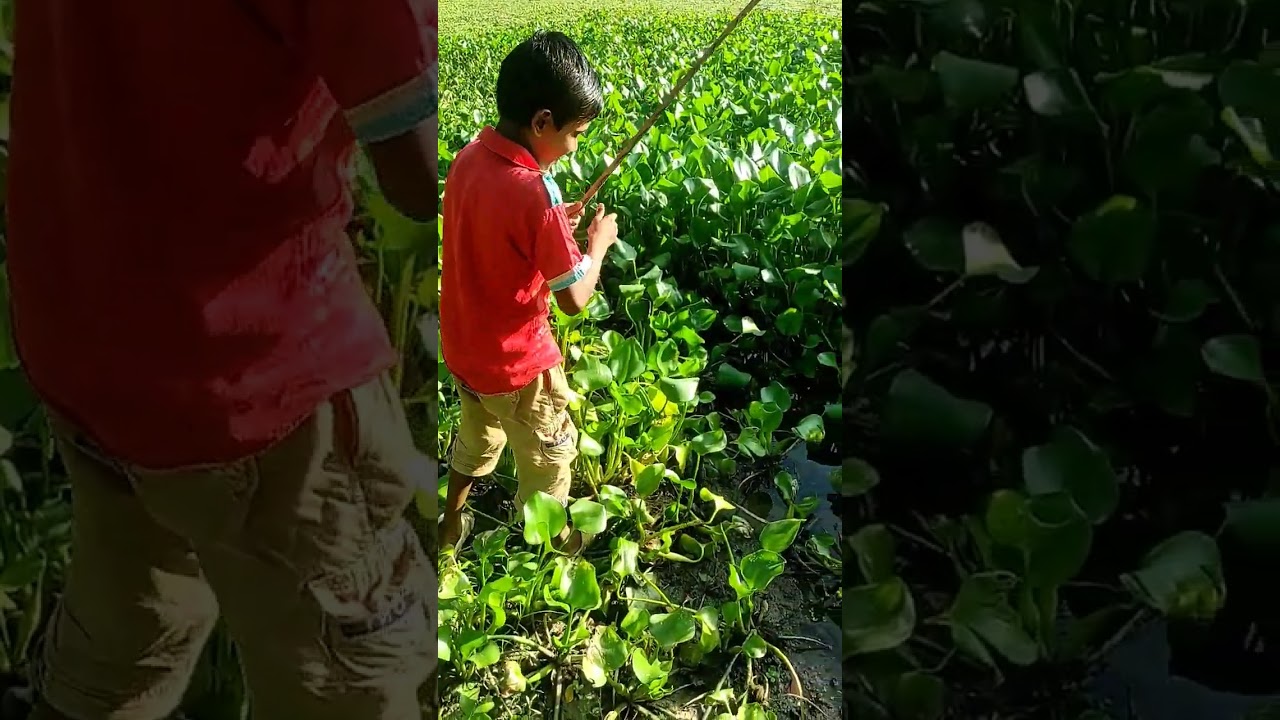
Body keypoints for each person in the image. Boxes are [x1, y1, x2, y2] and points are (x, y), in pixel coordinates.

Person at [3, 1, 440, 719]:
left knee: (129, 629)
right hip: (255, 380)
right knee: (350, 680)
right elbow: (422, 173)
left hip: (85, 332)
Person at [438, 30, 619, 554]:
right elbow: (574, 299)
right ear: (542, 122)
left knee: (474, 440)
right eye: (576, 133)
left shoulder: (469, 156)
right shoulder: (537, 191)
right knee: (551, 456)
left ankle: (450, 525)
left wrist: (550, 229)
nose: (574, 146)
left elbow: (492, 233)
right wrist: (596, 245)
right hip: (517, 368)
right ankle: (556, 545)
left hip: (466, 353)